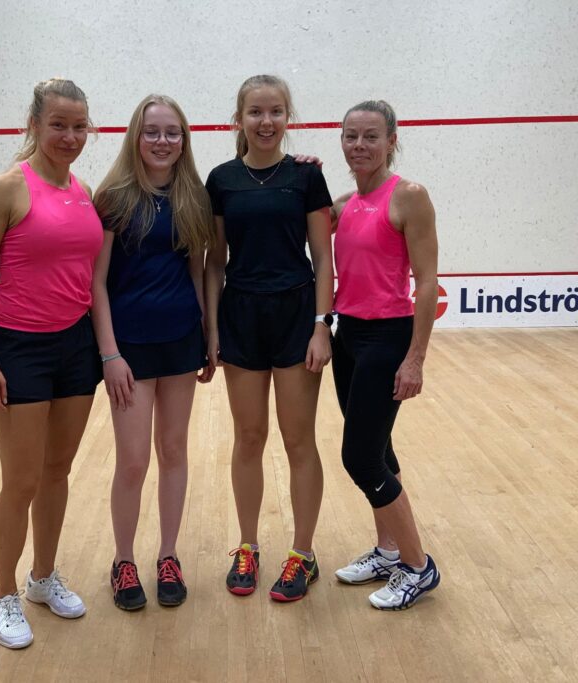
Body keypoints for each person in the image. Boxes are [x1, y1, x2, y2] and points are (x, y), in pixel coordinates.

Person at [0, 78, 103, 648]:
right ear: (35, 124)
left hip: (76, 347)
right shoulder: (5, 189)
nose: (70, 136)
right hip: (20, 348)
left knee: (56, 472)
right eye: (58, 124)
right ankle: (3, 594)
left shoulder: (83, 190)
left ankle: (42, 578)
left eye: (79, 126)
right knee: (20, 481)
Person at [204, 75, 334, 602]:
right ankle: (248, 546)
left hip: (297, 316)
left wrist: (323, 324)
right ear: (239, 119)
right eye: (255, 112)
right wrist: (212, 327)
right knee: (249, 437)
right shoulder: (221, 180)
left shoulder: (306, 177)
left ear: (287, 117)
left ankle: (303, 553)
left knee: (299, 439)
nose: (266, 121)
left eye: (276, 111)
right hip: (241, 316)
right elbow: (215, 263)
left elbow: (323, 258)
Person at [91, 95, 214, 611]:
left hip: (181, 342)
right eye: (152, 131)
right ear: (135, 138)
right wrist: (109, 355)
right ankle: (123, 561)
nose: (162, 141)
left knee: (174, 451)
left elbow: (196, 272)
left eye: (172, 132)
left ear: (183, 140)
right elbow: (97, 283)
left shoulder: (193, 197)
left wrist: (208, 334)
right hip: (130, 350)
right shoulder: (114, 198)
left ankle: (168, 555)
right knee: (134, 460)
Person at [330, 100, 441, 610]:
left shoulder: (409, 197)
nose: (359, 145)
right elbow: (304, 210)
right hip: (347, 336)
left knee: (360, 457)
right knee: (380, 449)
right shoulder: (348, 203)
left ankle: (418, 567)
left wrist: (415, 358)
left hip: (387, 338)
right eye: (351, 136)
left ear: (392, 140)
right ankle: (389, 550)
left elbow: (427, 283)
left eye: (371, 136)